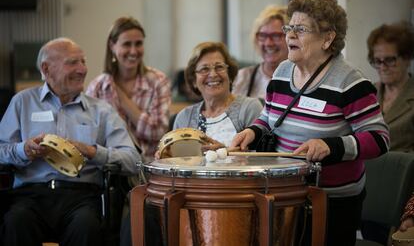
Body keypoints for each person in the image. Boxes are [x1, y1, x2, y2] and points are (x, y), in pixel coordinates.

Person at [230, 0, 389, 246]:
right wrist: (253, 132)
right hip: (284, 192)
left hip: (332, 201)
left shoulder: (351, 83)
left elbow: (379, 140)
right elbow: (267, 118)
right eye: (289, 28)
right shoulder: (282, 72)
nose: (290, 36)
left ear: (328, 38)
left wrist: (331, 146)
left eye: (301, 29)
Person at [0, 38, 141, 246]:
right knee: (15, 222)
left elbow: (133, 160)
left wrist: (92, 151)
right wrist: (24, 150)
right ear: (46, 69)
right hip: (30, 196)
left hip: (81, 197)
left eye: (83, 62)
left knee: (87, 226)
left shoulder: (101, 110)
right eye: (73, 62)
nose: (82, 69)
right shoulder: (22, 102)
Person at [86, 16, 171, 163]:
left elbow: (158, 133)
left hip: (149, 170)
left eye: (138, 44)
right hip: (110, 170)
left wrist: (122, 99)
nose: (133, 51)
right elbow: (91, 137)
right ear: (112, 46)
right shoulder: (98, 87)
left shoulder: (158, 81)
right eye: (126, 44)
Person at [174, 41, 263, 147]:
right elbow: (177, 160)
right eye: (204, 69)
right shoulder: (184, 118)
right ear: (194, 81)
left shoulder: (249, 108)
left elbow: (260, 157)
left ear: (229, 74)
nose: (213, 74)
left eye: (219, 67)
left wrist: (224, 153)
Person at [367, 21, 414, 152]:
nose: (382, 67)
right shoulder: (368, 92)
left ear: (407, 58)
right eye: (377, 61)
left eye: (389, 60)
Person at [232, 5, 289, 100]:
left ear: (290, 38)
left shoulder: (301, 79)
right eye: (263, 35)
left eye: (276, 36)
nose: (268, 43)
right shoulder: (243, 78)